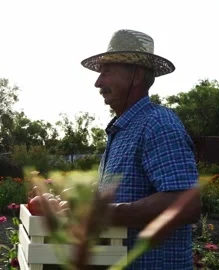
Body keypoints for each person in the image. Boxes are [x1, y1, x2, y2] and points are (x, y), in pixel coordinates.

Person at [80, 29, 201, 269]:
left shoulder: (158, 124)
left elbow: (186, 204)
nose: (98, 82)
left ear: (135, 76)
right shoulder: (123, 130)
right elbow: (128, 193)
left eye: (106, 72)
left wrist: (106, 213)